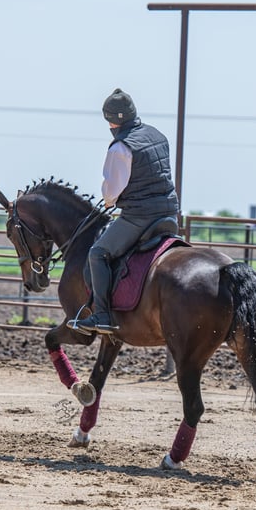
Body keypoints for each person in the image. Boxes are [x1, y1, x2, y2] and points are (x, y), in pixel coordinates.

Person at [70, 88, 179, 335]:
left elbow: (111, 191)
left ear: (112, 120)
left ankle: (102, 316)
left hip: (139, 216)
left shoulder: (120, 147)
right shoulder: (158, 135)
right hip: (169, 213)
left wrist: (109, 202)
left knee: (98, 253)